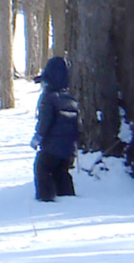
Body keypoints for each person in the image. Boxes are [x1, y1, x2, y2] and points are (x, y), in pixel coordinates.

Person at [31, 56, 80, 202]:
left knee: (42, 167)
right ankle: (67, 196)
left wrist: (38, 137)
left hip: (52, 146)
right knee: (61, 171)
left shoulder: (48, 98)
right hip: (68, 148)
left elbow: (45, 121)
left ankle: (45, 198)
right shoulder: (70, 98)